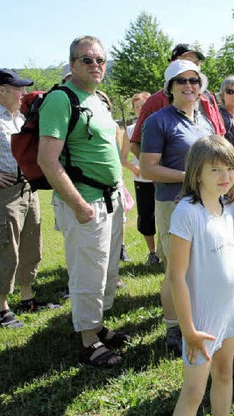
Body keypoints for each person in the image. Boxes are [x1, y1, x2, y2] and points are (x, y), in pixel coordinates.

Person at [38, 36, 128, 366]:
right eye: (86, 60)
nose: (95, 65)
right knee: (88, 274)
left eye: (100, 60)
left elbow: (106, 152)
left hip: (110, 201)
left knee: (107, 271)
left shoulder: (97, 100)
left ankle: (98, 326)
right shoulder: (61, 100)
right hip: (85, 204)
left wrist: (121, 188)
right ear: (73, 64)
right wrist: (78, 205)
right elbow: (48, 160)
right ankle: (89, 342)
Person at [140, 60, 215, 355]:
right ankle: (173, 327)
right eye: (181, 81)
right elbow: (148, 169)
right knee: (176, 269)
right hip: (173, 203)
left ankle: (194, 319)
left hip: (206, 202)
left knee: (199, 265)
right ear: (169, 87)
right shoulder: (158, 121)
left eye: (194, 81)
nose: (188, 86)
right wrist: (191, 177)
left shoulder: (204, 120)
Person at [170, 136, 234, 415]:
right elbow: (176, 276)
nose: (225, 176)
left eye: (230, 168)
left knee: (225, 375)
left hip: (231, 311)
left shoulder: (229, 207)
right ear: (196, 173)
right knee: (194, 392)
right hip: (201, 319)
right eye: (215, 169)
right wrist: (188, 331)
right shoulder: (187, 213)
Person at [0, 70, 51, 329]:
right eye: (18, 88)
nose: (23, 94)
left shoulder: (19, 118)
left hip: (28, 188)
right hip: (5, 194)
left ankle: (27, 297)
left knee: (32, 242)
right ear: (2, 90)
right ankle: (1, 308)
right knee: (6, 247)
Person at [128, 43, 224, 160]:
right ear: (171, 64)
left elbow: (220, 136)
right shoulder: (155, 101)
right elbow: (135, 145)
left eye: (196, 63)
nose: (192, 66)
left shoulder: (208, 97)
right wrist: (160, 172)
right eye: (187, 61)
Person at [120, 91, 160, 266]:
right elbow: (123, 158)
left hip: (161, 179)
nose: (140, 109)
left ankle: (168, 250)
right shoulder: (130, 130)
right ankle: (152, 253)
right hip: (143, 181)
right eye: (137, 107)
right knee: (146, 217)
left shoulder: (160, 124)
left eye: (143, 106)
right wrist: (134, 167)